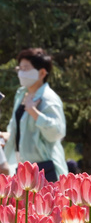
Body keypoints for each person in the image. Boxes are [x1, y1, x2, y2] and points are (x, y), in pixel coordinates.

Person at [4, 48, 67, 182]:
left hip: (46, 168)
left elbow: (57, 132)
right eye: (19, 68)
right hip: (23, 168)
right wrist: (6, 135)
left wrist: (34, 113)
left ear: (42, 73)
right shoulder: (21, 94)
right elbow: (17, 129)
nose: (21, 73)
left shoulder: (49, 98)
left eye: (26, 69)